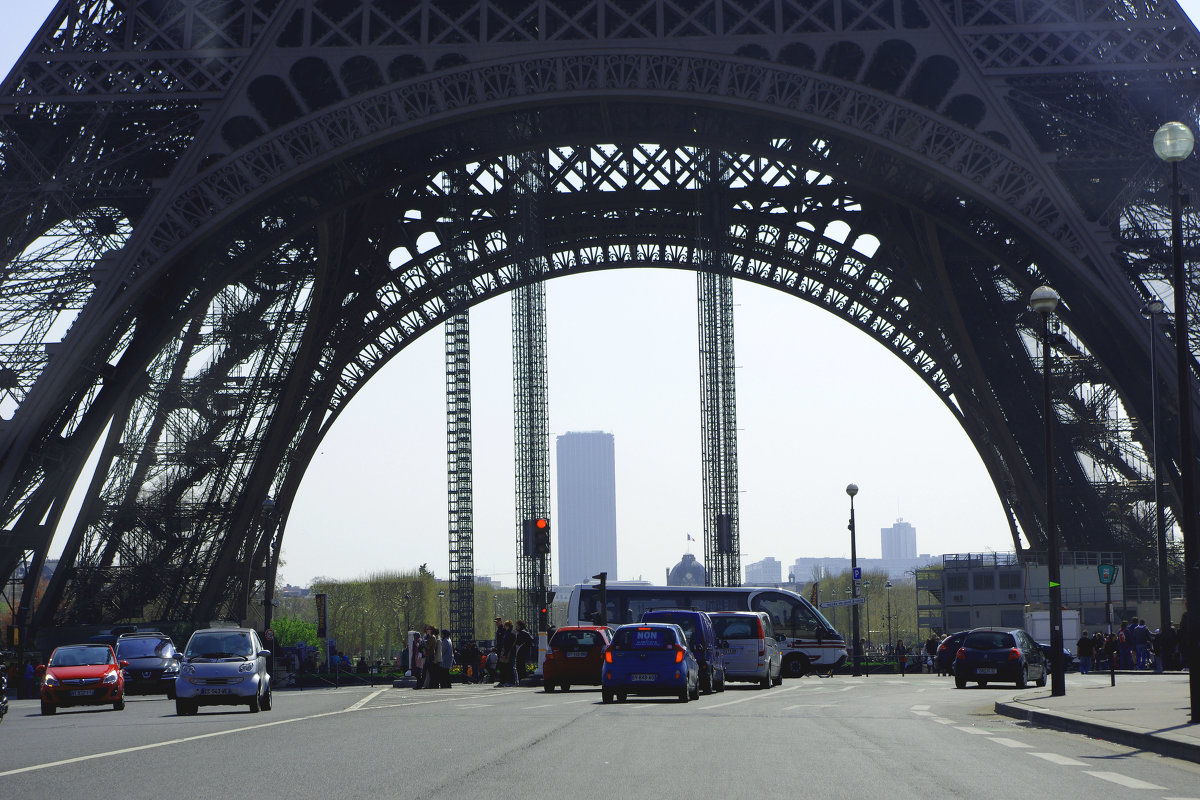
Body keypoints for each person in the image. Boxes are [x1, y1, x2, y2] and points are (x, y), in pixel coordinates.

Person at [513, 620, 534, 686]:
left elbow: (518, 642)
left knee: (520, 666)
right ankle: (523, 678)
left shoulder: (522, 633)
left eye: (517, 626)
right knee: (524, 666)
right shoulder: (526, 631)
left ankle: (521, 680)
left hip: (522, 652)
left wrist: (517, 634)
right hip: (526, 652)